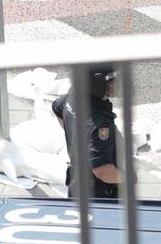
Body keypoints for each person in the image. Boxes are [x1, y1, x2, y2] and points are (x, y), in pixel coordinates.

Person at [51, 66, 121, 200]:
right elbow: (103, 172)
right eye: (113, 81)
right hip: (98, 196)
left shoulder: (72, 97)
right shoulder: (100, 125)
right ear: (97, 84)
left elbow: (57, 108)